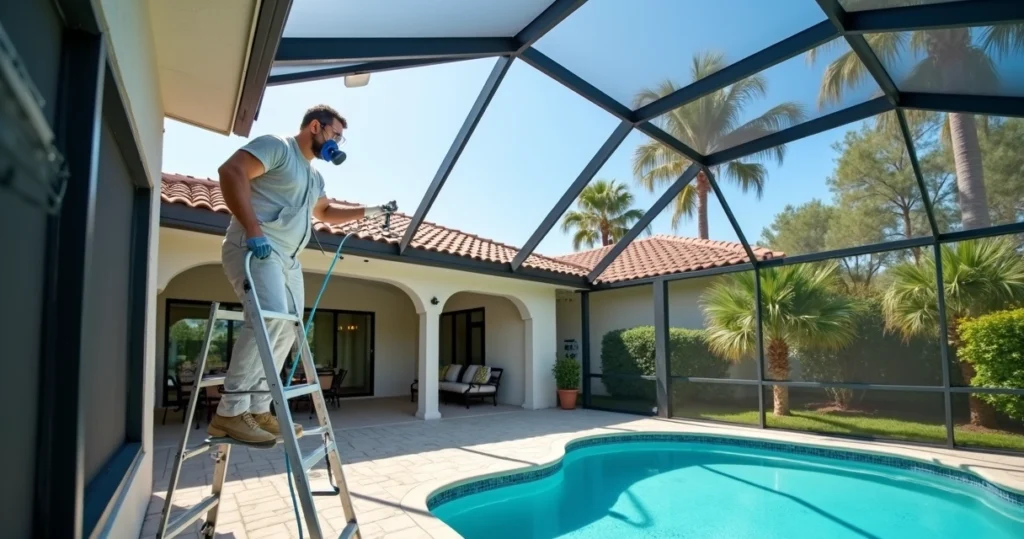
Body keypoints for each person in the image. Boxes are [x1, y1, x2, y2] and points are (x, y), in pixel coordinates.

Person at [209, 104, 389, 444]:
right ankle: (230, 412)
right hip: (257, 247)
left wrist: (371, 211)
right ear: (316, 127)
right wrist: (253, 231)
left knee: (289, 330)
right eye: (335, 134)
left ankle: (260, 408)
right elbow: (231, 171)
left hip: (289, 261)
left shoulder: (315, 176)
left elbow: (325, 211)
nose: (338, 142)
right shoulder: (278, 147)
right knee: (269, 321)